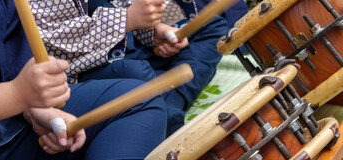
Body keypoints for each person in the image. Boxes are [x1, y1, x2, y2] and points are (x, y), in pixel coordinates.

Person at [0, 1, 167, 160]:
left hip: (9, 125)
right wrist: (17, 95)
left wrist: (34, 108)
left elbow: (9, 56)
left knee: (140, 99)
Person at [28, 0, 229, 136]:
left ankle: (172, 99)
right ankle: (161, 104)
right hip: (87, 64)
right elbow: (51, 40)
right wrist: (128, 19)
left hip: (133, 42)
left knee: (212, 25)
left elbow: (123, 4)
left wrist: (153, 30)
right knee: (137, 73)